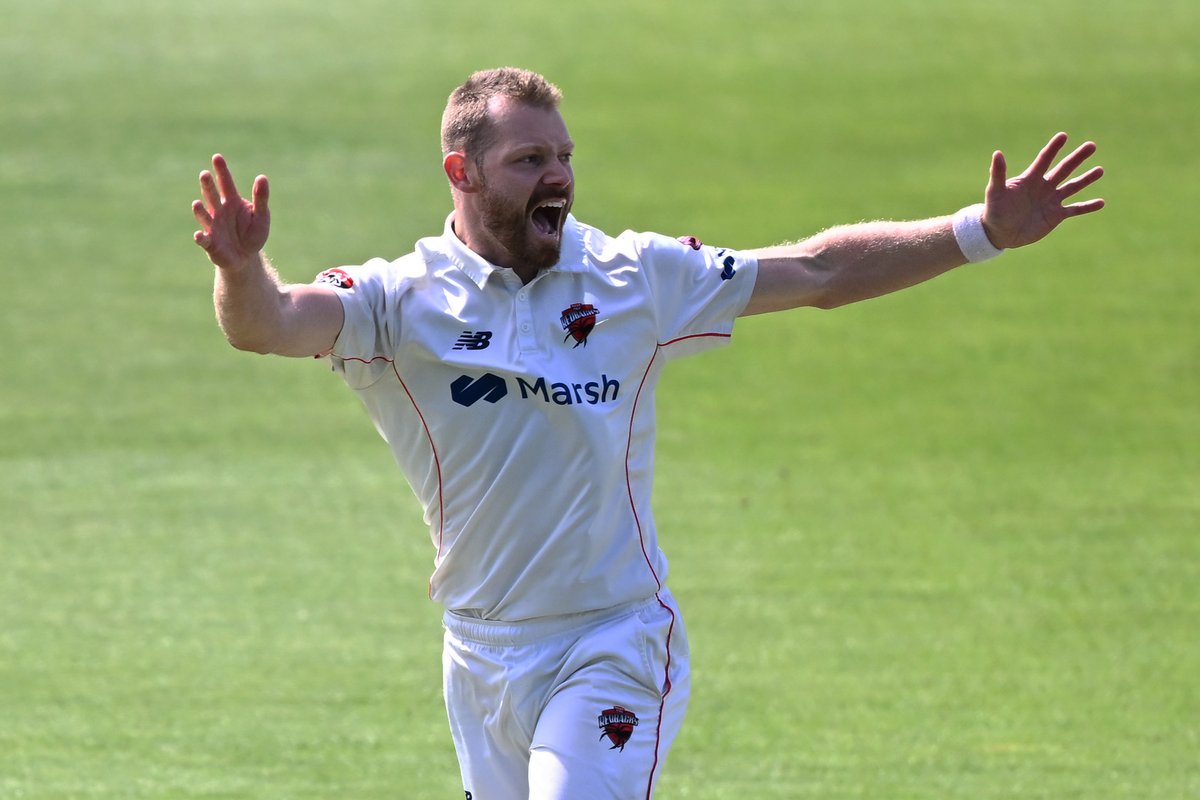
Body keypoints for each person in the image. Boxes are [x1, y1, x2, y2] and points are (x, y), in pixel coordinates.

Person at [191, 67, 1104, 799]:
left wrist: (978, 231)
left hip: (613, 641)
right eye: (528, 159)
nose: (558, 176)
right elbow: (267, 324)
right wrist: (240, 266)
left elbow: (819, 270)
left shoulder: (635, 277)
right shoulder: (398, 301)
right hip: (478, 652)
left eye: (564, 156)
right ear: (460, 173)